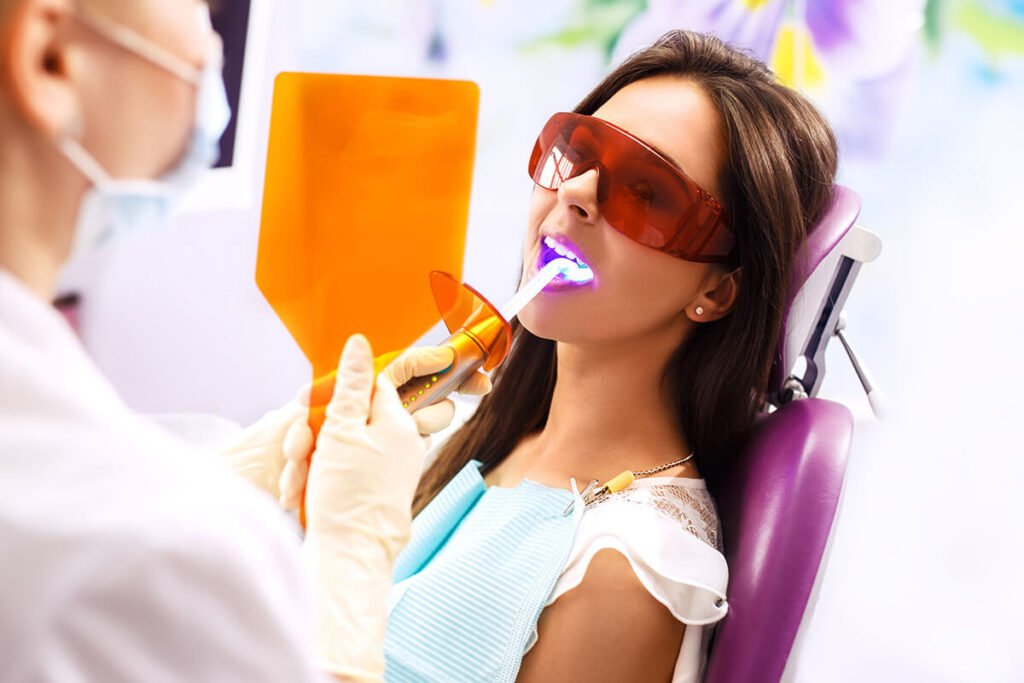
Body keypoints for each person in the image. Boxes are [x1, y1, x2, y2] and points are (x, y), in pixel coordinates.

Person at [284, 30, 839, 682]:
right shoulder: (476, 437)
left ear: (715, 291)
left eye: (647, 192)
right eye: (576, 153)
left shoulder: (622, 571)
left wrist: (348, 543)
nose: (575, 191)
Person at [0, 0, 486, 680]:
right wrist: (354, 551)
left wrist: (242, 464)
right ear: (50, 60)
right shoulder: (164, 553)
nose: (212, 43)